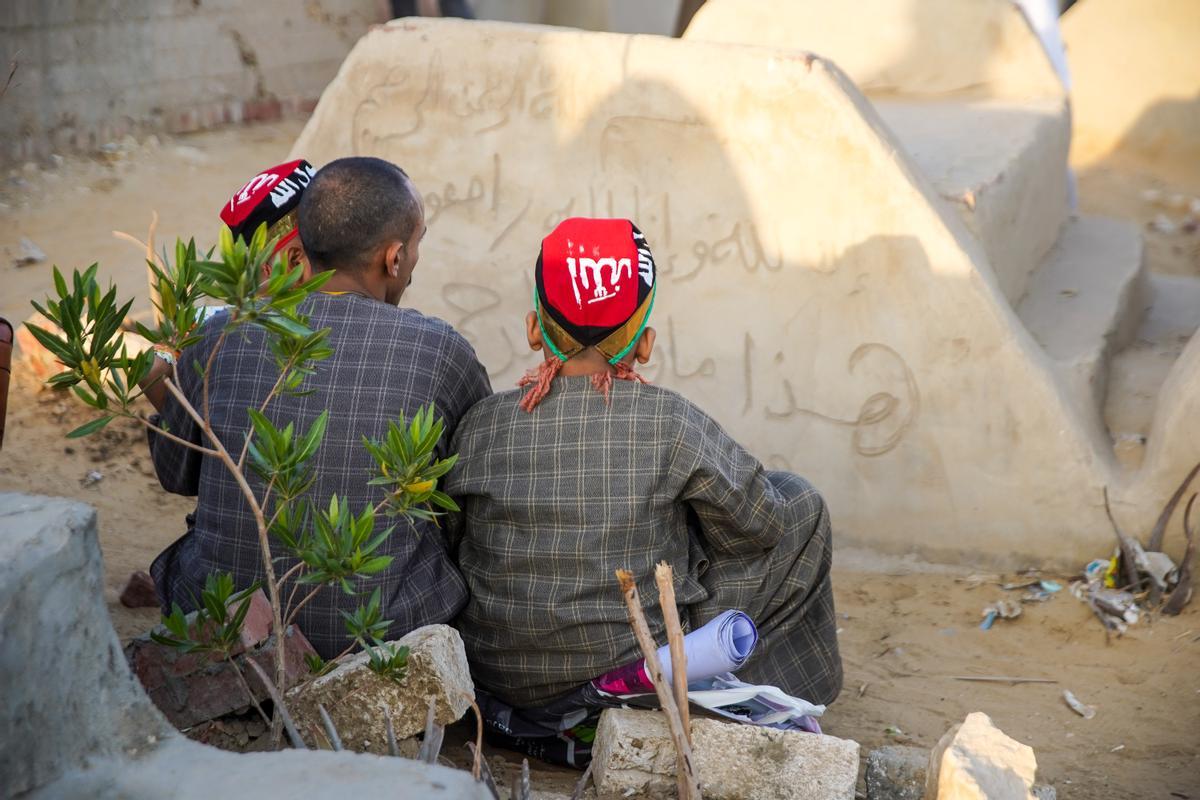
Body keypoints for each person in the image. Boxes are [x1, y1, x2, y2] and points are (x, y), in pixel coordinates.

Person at [445, 217, 842, 710]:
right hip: (633, 674)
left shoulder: (482, 422)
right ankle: (757, 702)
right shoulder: (669, 420)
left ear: (532, 330)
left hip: (498, 672)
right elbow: (762, 525)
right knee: (800, 504)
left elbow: (454, 540)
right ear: (645, 344)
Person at [146, 157, 491, 657]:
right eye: (417, 244)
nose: (415, 260)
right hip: (377, 637)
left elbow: (177, 473)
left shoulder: (217, 336)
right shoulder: (436, 348)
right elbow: (470, 495)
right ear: (394, 258)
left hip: (224, 625)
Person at [120, 159, 323, 609]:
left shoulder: (210, 334)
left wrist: (166, 381)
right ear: (293, 258)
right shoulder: (379, 329)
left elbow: (178, 474)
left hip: (224, 598)